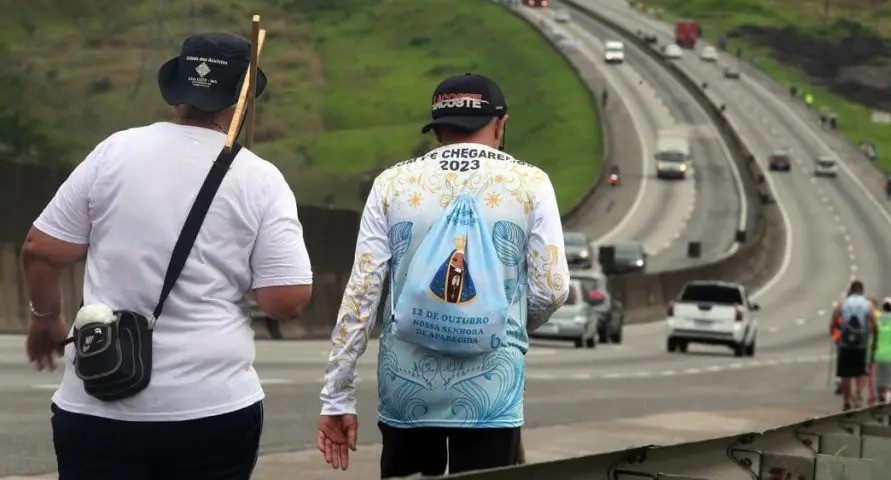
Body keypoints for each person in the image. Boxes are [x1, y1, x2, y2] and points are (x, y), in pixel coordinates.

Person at [22, 32, 314, 479]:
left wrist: (46, 316)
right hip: (211, 408)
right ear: (243, 100)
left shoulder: (114, 151)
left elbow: (40, 249)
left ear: (177, 90)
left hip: (97, 403)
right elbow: (285, 300)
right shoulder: (259, 178)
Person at [316, 73, 570, 478]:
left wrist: (337, 397)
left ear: (437, 131)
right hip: (491, 392)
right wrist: (503, 324)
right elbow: (553, 289)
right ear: (501, 124)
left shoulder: (393, 184)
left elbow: (363, 291)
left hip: (406, 388)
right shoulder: (531, 184)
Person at [832, 281, 877, 410]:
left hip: (845, 342)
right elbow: (874, 323)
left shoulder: (843, 304)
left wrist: (835, 337)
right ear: (862, 291)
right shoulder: (867, 305)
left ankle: (846, 400)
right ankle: (858, 392)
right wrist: (874, 341)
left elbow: (833, 323)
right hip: (861, 342)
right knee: (860, 372)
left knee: (845, 374)